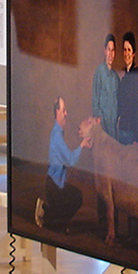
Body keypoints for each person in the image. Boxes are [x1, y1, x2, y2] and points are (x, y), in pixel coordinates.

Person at [34, 96, 87, 232]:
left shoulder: (57, 133)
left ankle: (47, 210)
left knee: (73, 197)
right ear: (58, 112)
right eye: (64, 110)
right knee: (76, 198)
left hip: (56, 184)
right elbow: (70, 160)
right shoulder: (57, 135)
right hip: (54, 186)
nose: (66, 114)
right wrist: (82, 145)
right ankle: (49, 218)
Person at [115, 32, 138, 144]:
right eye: (124, 50)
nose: (126, 53)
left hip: (131, 132)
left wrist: (137, 138)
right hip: (122, 129)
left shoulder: (136, 75)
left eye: (129, 50)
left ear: (133, 53)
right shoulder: (125, 74)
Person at [90, 33, 119, 139]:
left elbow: (117, 103)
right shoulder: (99, 72)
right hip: (102, 128)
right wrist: (99, 119)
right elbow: (95, 100)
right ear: (105, 51)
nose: (110, 54)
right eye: (109, 49)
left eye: (113, 50)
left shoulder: (115, 77)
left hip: (113, 128)